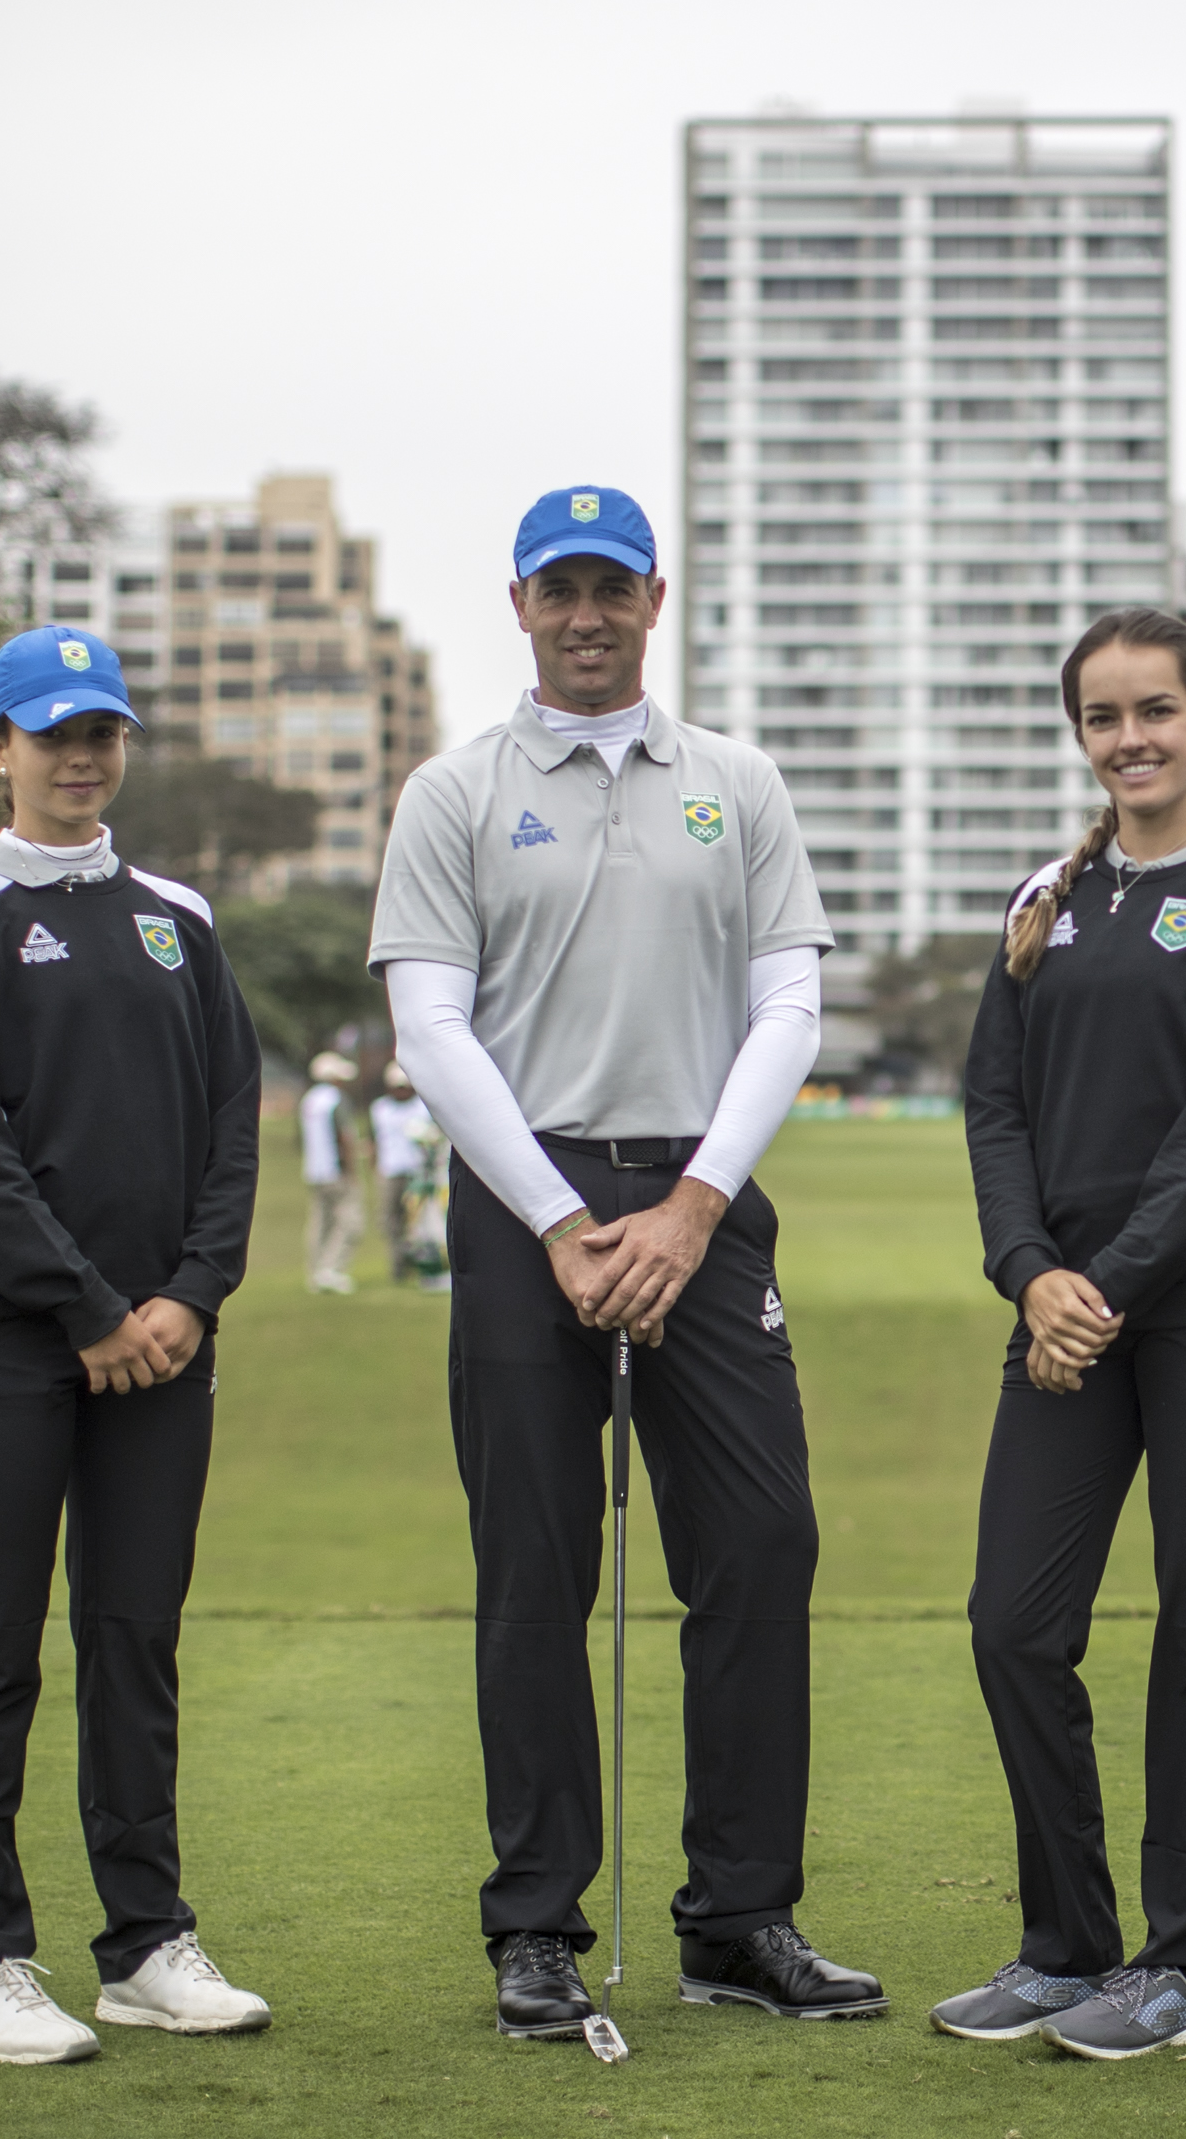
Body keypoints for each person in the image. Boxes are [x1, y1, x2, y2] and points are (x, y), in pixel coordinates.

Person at [371, 485, 881, 2038]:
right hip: (530, 1204)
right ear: (517, 605)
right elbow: (431, 1030)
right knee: (537, 1575)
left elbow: (788, 1004)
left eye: (612, 587)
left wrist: (694, 1207)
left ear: (656, 599)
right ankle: (536, 1925)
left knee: (762, 1548)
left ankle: (739, 1916)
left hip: (702, 1203)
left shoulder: (737, 781)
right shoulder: (452, 794)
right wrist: (555, 1224)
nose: (585, 614)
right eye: (556, 590)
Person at [929, 610, 1186, 2061]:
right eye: (1103, 717)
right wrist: (1030, 1273)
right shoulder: (1050, 895)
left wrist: (1101, 1290)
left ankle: (1175, 1972)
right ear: (1082, 737)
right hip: (1065, 1321)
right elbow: (994, 1106)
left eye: (1156, 710)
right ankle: (1066, 1947)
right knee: (1014, 1626)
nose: (1132, 739)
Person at [0, 623, 271, 2066]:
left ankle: (143, 1945)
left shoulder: (179, 913)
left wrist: (186, 1296)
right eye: (51, 733)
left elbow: (231, 1121)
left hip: (165, 1350)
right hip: (4, 1340)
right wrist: (94, 1309)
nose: (80, 756)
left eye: (101, 732)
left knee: (134, 1642)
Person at [300, 1050, 363, 1294]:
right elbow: (345, 1137)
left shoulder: (309, 1100)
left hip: (314, 1171)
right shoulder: (336, 1099)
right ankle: (332, 1269)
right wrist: (352, 1170)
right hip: (336, 1171)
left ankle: (315, 1271)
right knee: (350, 1222)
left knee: (320, 1223)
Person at [370, 1061, 438, 1283]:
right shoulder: (380, 1108)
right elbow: (375, 1140)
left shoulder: (421, 1107)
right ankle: (398, 1264)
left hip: (416, 1172)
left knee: (417, 1221)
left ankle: (421, 1263)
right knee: (391, 1221)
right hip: (389, 1170)